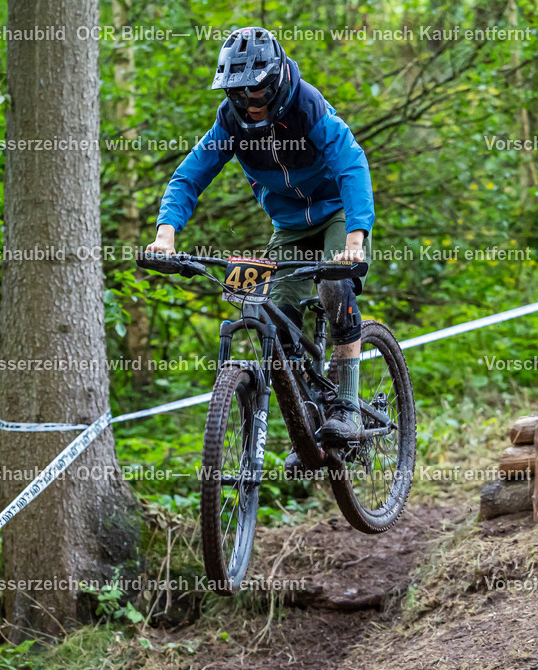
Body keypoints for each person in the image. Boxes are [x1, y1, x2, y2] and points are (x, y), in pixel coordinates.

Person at [145, 26, 375, 470]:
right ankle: (305, 425)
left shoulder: (309, 107)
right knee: (277, 319)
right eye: (238, 92)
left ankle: (345, 405)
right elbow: (189, 176)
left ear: (274, 81)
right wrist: (165, 235)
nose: (249, 102)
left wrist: (353, 241)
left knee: (334, 291)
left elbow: (352, 165)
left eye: (256, 91)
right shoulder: (230, 121)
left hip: (335, 214)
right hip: (288, 225)